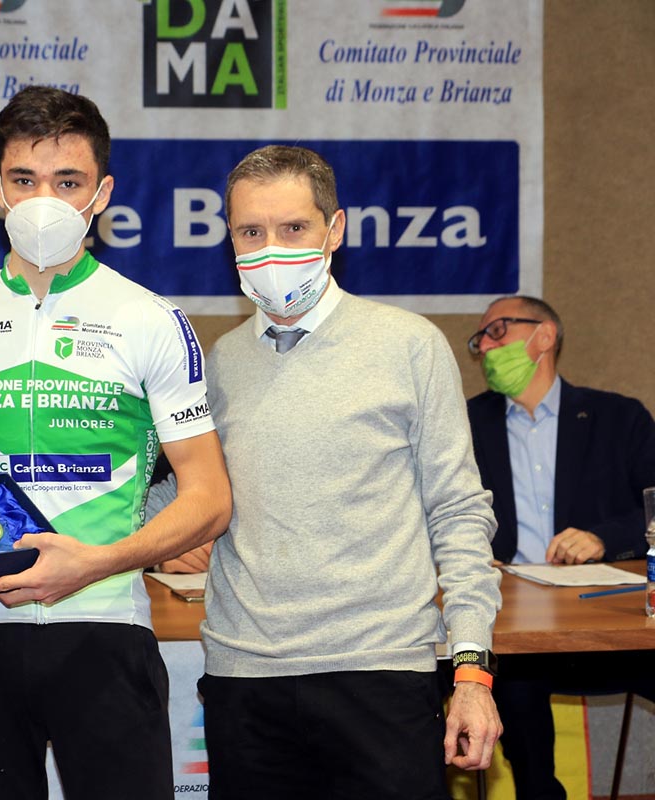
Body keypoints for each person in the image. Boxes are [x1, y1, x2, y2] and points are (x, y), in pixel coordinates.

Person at [0, 86, 232, 799]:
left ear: (102, 193)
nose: (44, 201)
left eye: (67, 182)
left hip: (104, 626)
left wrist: (99, 562)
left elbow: (210, 498)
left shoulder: (150, 319)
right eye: (25, 179)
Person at [198, 145, 503, 799]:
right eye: (251, 231)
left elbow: (458, 511)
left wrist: (472, 671)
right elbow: (184, 495)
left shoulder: (409, 345)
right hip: (244, 681)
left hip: (381, 675)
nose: (270, 250)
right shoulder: (218, 364)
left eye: (293, 228)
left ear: (334, 229)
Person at [466, 295, 655, 799]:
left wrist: (603, 537)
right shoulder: (464, 425)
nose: (485, 347)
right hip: (512, 626)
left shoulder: (619, 418)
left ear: (544, 336)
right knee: (512, 684)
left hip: (607, 619)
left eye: (497, 331)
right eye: (479, 340)